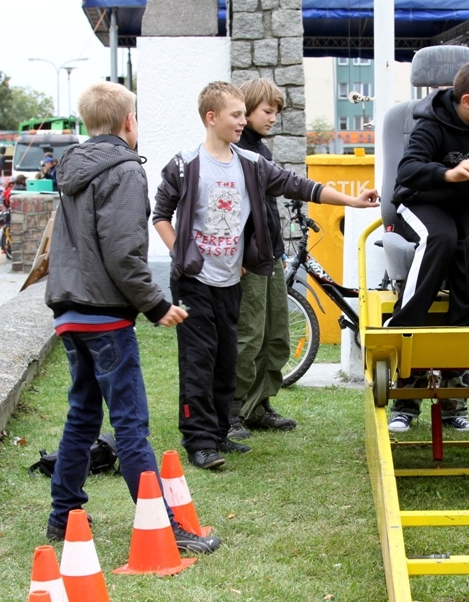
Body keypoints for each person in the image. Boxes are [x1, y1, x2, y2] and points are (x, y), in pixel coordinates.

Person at [152, 80, 379, 470]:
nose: (244, 122)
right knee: (198, 361)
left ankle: (222, 430)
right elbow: (160, 213)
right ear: (212, 118)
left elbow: (300, 185)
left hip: (231, 279)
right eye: (236, 115)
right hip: (193, 282)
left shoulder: (252, 164)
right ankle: (200, 442)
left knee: (227, 360)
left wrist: (351, 201)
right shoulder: (185, 164)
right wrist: (181, 255)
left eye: (244, 114)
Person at [43, 81, 221, 554]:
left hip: (70, 313)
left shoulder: (73, 169)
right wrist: (157, 304)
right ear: (129, 123)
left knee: (82, 415)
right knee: (130, 425)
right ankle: (164, 526)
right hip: (104, 318)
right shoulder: (123, 171)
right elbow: (123, 253)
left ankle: (63, 516)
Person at [384, 59, 469, 434]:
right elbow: (407, 171)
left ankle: (455, 403)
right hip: (425, 198)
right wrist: (447, 172)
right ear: (468, 101)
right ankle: (405, 387)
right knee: (441, 237)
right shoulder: (429, 123)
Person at [228, 78, 295, 441]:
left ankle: (261, 404)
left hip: (273, 253)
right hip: (249, 259)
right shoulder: (236, 151)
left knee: (276, 334)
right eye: (267, 111)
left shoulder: (262, 152)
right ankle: (234, 411)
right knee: (249, 335)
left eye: (275, 112)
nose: (272, 118)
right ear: (248, 110)